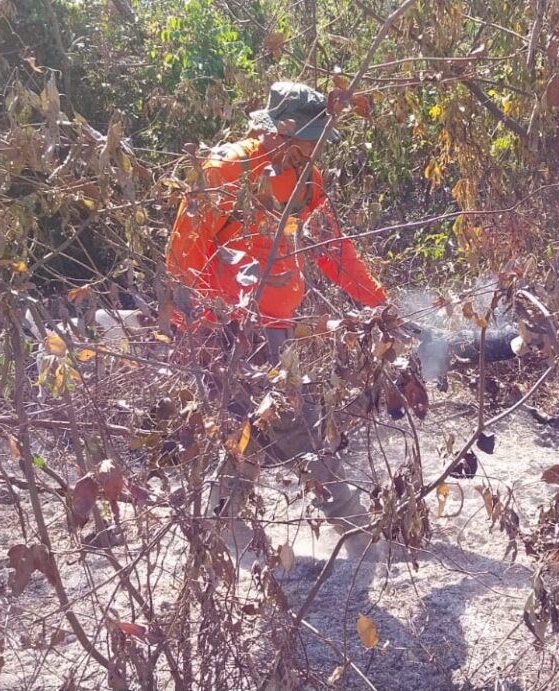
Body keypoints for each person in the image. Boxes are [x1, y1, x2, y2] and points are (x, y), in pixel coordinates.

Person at [165, 81, 387, 564]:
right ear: (279, 131)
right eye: (308, 139)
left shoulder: (306, 178)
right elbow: (183, 262)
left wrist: (377, 303)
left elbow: (331, 246)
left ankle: (219, 526)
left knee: (251, 427)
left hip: (277, 327)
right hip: (226, 327)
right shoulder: (224, 171)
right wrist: (204, 329)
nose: (315, 149)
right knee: (296, 424)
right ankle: (357, 533)